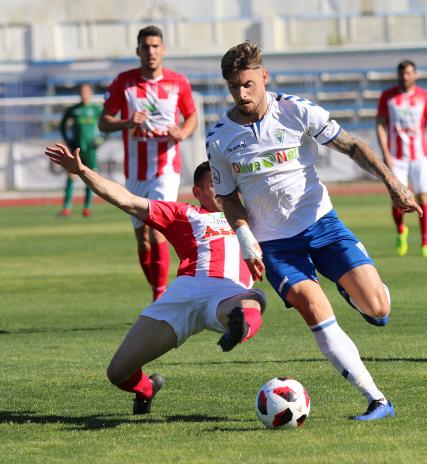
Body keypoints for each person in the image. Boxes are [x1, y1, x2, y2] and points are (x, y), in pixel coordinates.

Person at [206, 42, 421, 421]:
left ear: (264, 76)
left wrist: (394, 184)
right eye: (233, 87)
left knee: (379, 308)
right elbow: (228, 199)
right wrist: (244, 237)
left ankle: (353, 289)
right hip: (275, 245)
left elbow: (352, 146)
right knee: (313, 307)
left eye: (248, 84)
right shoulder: (220, 138)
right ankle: (377, 400)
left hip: (322, 224)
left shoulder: (295, 110)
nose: (241, 94)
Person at [45, 143, 266, 415]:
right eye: (213, 183)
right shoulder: (184, 213)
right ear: (197, 191)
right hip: (183, 294)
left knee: (252, 301)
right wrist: (81, 171)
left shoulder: (254, 219)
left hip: (227, 294)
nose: (221, 188)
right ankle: (147, 389)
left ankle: (239, 330)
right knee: (118, 372)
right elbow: (126, 200)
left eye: (224, 182)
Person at [98, 25, 198, 300]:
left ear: (163, 50)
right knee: (141, 237)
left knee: (157, 231)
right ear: (138, 51)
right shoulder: (124, 82)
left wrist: (183, 132)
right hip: (135, 172)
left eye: (155, 46)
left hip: (166, 168)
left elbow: (191, 117)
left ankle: (161, 297)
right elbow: (103, 122)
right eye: (146, 47)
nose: (151, 51)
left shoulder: (178, 82)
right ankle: (157, 290)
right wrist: (127, 122)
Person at [376, 60, 427, 258]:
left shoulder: (425, 98)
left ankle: (425, 244)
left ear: (415, 75)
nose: (405, 77)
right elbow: (380, 124)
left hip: (419, 157)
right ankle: (401, 231)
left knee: (423, 197)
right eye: (402, 73)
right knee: (398, 198)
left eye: (409, 73)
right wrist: (386, 153)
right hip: (396, 158)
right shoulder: (388, 97)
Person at [58, 83, 103, 218]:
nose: (84, 94)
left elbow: (107, 125)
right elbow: (62, 126)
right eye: (82, 91)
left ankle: (87, 208)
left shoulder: (96, 109)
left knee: (91, 177)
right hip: (76, 148)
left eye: (86, 91)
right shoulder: (73, 110)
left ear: (90, 93)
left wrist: (101, 139)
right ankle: (66, 208)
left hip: (90, 149)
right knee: (71, 176)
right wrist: (68, 140)